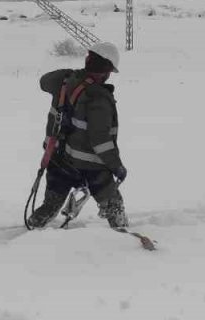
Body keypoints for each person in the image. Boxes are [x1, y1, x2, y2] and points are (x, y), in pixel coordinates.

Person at [27, 41, 129, 229]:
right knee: (114, 204)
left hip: (58, 159)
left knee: (50, 205)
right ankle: (121, 237)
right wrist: (117, 167)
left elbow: (43, 82)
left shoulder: (64, 81)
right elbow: (101, 142)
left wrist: (71, 74)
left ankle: (32, 229)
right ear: (106, 70)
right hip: (92, 167)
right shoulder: (98, 97)